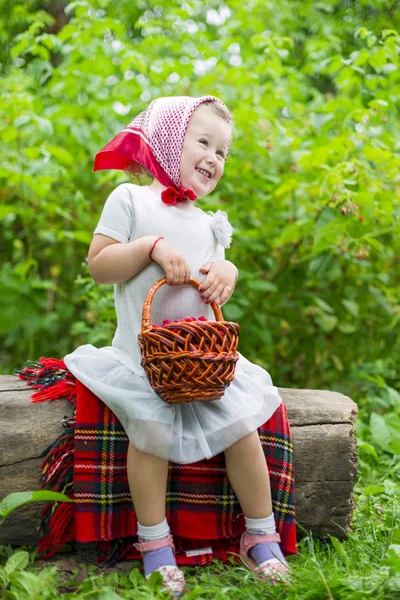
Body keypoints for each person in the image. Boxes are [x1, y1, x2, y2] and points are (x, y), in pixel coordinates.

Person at [64, 95, 292, 597]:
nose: (215, 157)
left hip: (199, 361)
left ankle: (260, 533)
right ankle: (155, 543)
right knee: (150, 434)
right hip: (141, 360)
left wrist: (226, 271)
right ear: (169, 140)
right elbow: (100, 266)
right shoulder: (131, 200)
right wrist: (150, 246)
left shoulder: (210, 222)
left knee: (243, 428)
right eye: (204, 142)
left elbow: (211, 282)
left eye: (224, 152)